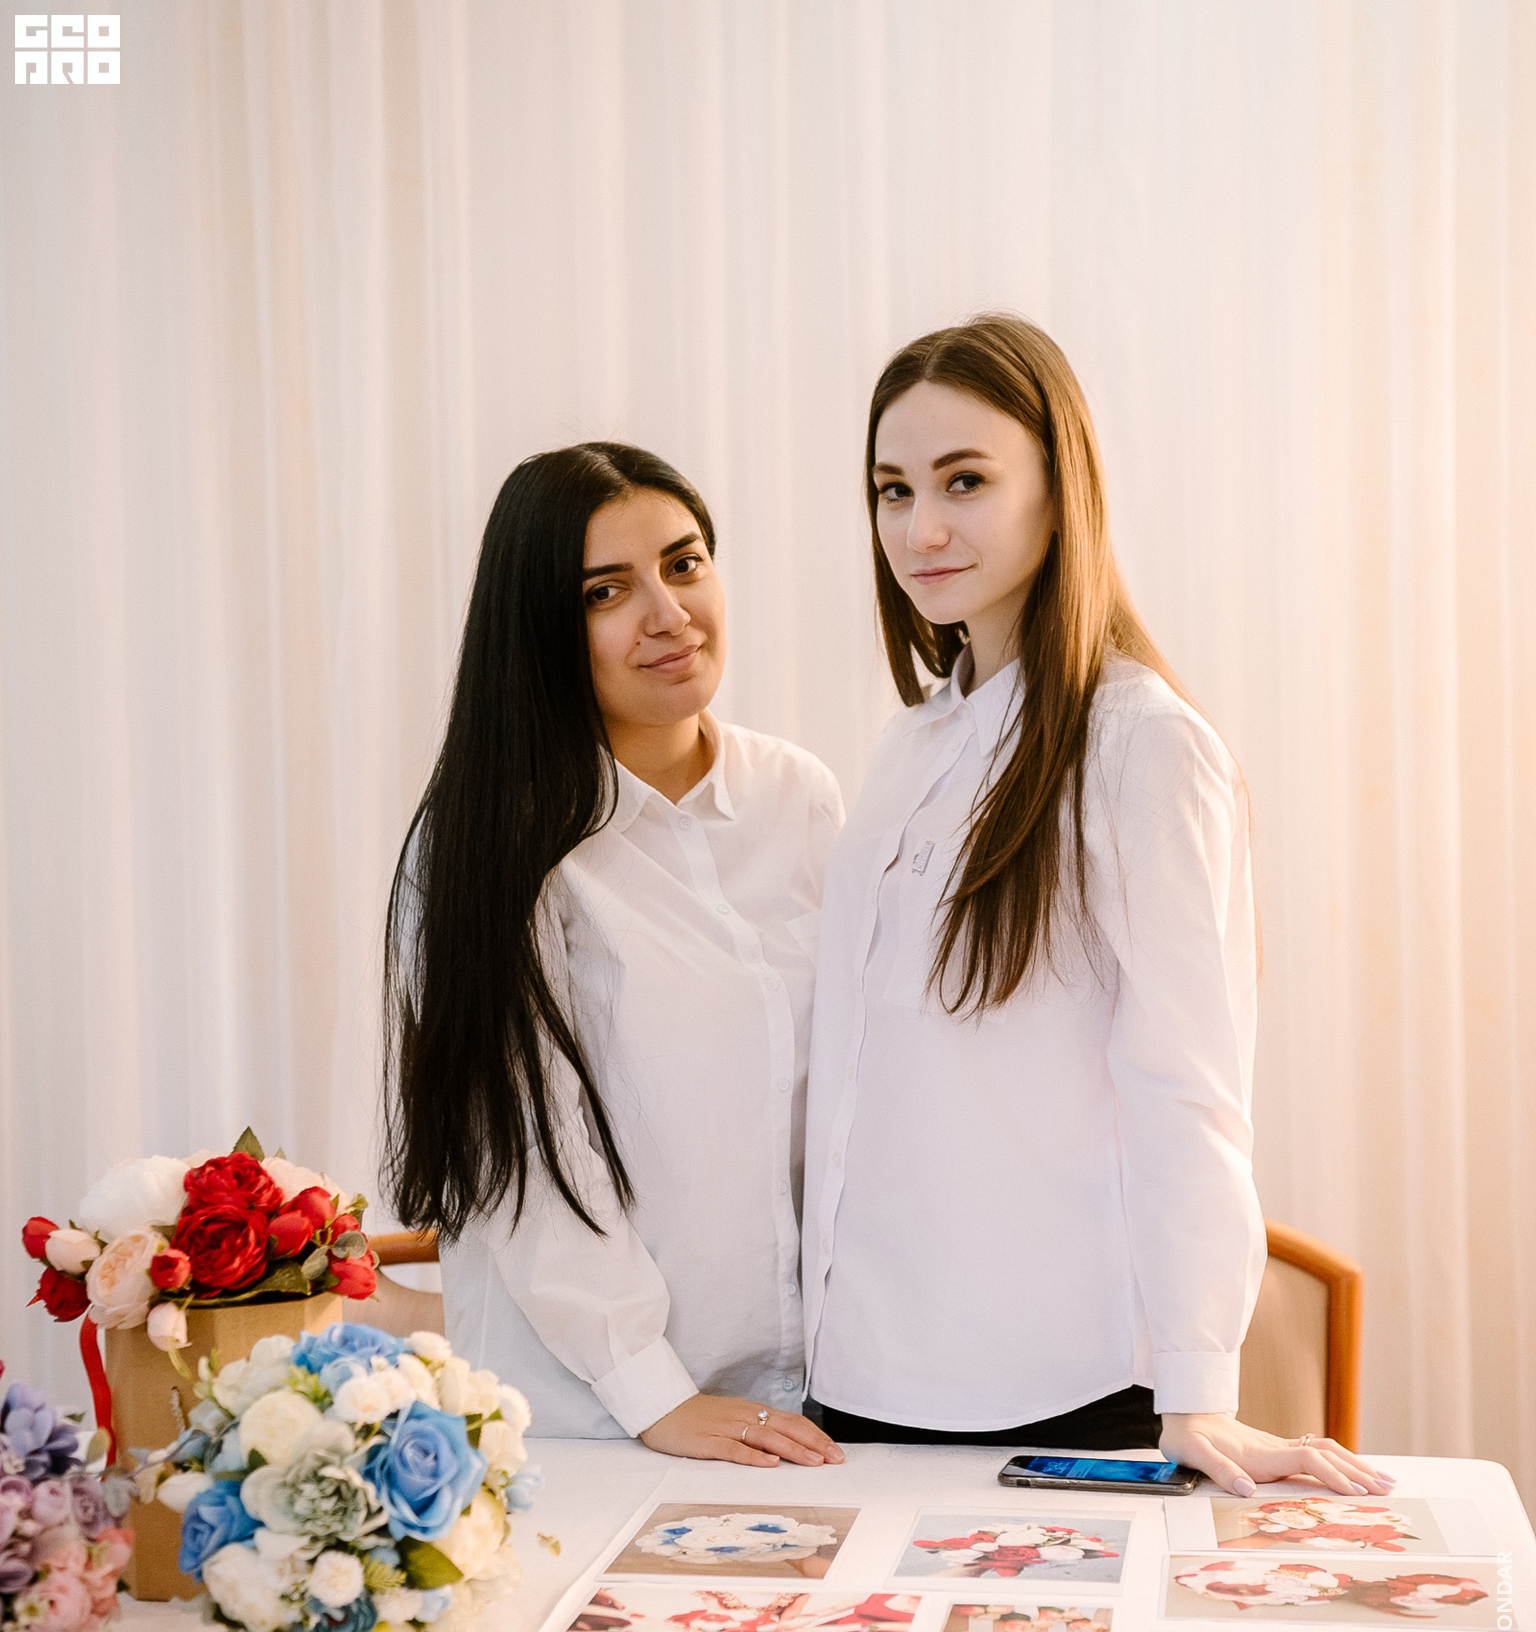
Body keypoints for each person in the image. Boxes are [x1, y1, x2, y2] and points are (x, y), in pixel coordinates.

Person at [801, 315, 1391, 1499]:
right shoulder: (908, 748)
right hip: (853, 1378)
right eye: (892, 489)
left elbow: (1188, 1085)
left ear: (1059, 489)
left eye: (965, 481)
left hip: (1057, 1389)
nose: (920, 529)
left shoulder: (1143, 747)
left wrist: (1199, 1390)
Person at [384, 443, 843, 1467]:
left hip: (808, 1404)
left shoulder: (800, 799)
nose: (668, 614)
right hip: (595, 1420)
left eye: (684, 564)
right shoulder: (483, 847)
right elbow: (516, 1162)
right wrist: (653, 1393)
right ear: (538, 628)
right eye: (606, 591)